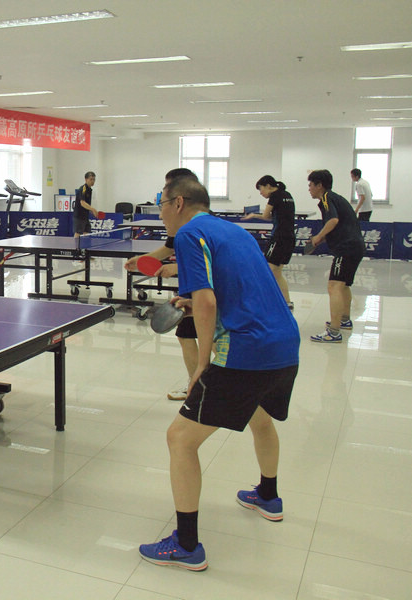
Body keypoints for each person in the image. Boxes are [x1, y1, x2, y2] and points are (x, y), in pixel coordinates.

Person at [138, 177, 300, 571]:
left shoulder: (189, 233)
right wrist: (191, 302)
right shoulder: (235, 232)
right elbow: (240, 288)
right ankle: (268, 496)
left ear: (179, 203)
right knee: (260, 417)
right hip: (284, 344)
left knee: (180, 439)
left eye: (161, 205)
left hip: (245, 351)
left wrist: (202, 362)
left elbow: (207, 301)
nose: (160, 214)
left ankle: (186, 545)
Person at [124, 167, 199, 401]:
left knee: (214, 339)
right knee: (186, 335)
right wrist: (143, 260)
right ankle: (196, 385)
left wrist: (177, 268)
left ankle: (210, 387)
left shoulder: (196, 226)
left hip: (203, 291)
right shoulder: (181, 223)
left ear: (179, 197)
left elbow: (211, 264)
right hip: (189, 290)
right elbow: (169, 247)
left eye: (167, 188)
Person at [307, 169, 365, 343]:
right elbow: (339, 225)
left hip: (346, 248)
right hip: (355, 246)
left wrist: (318, 236)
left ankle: (333, 332)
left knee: (334, 286)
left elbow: (333, 221)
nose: (309, 188)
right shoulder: (336, 198)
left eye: (311, 185)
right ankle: (344, 320)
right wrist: (321, 239)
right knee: (344, 285)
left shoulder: (326, 198)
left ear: (320, 185)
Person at [243, 176, 296, 308]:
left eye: (261, 189)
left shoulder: (275, 196)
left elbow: (266, 215)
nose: (261, 193)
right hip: (290, 238)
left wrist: (253, 215)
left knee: (267, 269)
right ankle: (287, 302)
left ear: (268, 186)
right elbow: (278, 215)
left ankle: (261, 300)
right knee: (277, 272)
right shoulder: (287, 195)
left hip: (279, 238)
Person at [72, 171, 100, 239]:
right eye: (91, 179)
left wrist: (91, 211)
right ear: (86, 179)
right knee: (78, 233)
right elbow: (82, 203)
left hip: (85, 216)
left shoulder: (89, 190)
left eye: (94, 179)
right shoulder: (83, 189)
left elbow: (86, 204)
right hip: (79, 216)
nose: (93, 181)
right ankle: (74, 245)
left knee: (87, 232)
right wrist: (93, 209)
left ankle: (85, 245)